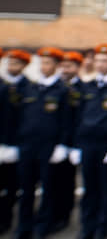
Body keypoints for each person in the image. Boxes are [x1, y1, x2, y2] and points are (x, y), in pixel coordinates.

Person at [70, 43, 107, 239]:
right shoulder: (89, 86)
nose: (100, 64)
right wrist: (76, 145)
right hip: (88, 144)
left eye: (105, 60)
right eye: (97, 60)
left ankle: (105, 225)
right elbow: (79, 117)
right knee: (89, 188)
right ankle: (87, 225)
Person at [12, 47, 71, 239]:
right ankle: (24, 226)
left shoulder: (63, 90)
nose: (43, 66)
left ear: (56, 65)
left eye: (47, 63)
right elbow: (20, 117)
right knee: (26, 189)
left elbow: (66, 120)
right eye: (41, 63)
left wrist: (62, 145)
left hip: (49, 147)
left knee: (48, 188)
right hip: (28, 145)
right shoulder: (30, 88)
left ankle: (42, 226)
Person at [50, 50, 84, 233]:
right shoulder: (54, 87)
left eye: (69, 66)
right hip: (50, 143)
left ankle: (63, 216)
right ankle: (50, 215)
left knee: (65, 182)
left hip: (70, 144)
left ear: (77, 68)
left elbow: (79, 120)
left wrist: (74, 146)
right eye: (62, 66)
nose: (64, 69)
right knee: (50, 183)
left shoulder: (83, 89)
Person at [0, 49, 30, 234]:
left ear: (24, 66)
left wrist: (14, 143)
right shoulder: (2, 84)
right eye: (10, 63)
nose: (12, 67)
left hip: (15, 144)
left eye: (16, 63)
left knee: (11, 187)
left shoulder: (29, 87)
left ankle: (6, 220)